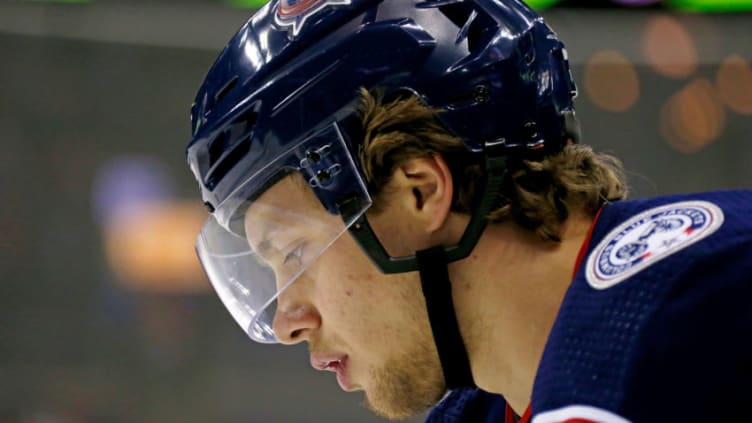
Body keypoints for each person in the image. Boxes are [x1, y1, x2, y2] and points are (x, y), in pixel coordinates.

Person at [185, 0, 752, 421]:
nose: (287, 322)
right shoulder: (484, 406)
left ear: (421, 192)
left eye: (294, 252)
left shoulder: (712, 309)